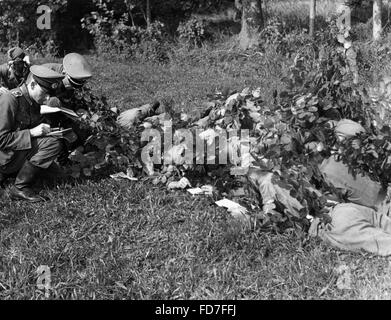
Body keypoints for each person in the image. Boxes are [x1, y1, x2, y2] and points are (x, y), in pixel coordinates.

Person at [0, 65, 65, 203]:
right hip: (4, 157)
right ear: (33, 84)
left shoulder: (33, 99)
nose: (48, 98)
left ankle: (14, 173)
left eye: (50, 94)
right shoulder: (10, 99)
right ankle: (20, 188)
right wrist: (31, 133)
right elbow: (1, 139)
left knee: (57, 173)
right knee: (52, 144)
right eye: (45, 93)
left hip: (17, 151)